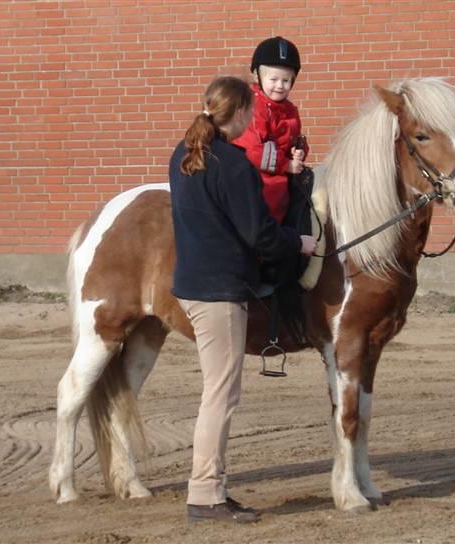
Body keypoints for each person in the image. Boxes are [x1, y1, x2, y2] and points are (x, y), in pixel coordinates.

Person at [169, 76, 316, 524]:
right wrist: (298, 244)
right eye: (249, 112)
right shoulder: (232, 164)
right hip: (221, 291)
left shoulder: (183, 153)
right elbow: (260, 235)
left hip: (193, 284)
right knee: (220, 394)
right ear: (238, 115)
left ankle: (212, 490)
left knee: (219, 391)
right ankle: (205, 496)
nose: (253, 119)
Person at [233, 36, 309, 224]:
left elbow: (293, 140)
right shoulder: (253, 107)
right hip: (256, 179)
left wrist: (299, 151)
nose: (280, 86)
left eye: (286, 80)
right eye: (273, 79)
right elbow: (254, 150)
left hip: (281, 178)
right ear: (258, 76)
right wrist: (287, 165)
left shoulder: (290, 110)